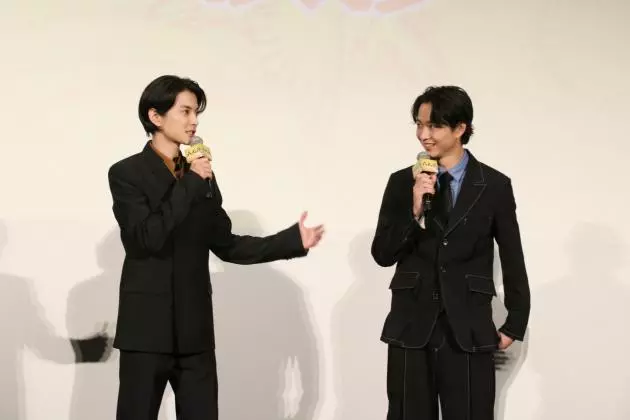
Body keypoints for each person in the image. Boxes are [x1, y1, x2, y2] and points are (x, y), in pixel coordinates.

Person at [107, 75, 325, 420]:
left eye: (196, 113)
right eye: (185, 111)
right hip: (146, 331)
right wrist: (192, 182)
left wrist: (292, 240)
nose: (194, 121)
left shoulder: (201, 175)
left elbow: (227, 244)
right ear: (155, 116)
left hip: (194, 333)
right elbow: (145, 238)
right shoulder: (127, 173)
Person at [371, 85, 530, 420]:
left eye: (434, 126)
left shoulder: (494, 185)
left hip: (468, 326)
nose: (423, 135)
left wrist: (514, 323)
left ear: (460, 128)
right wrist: (414, 209)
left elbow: (512, 256)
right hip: (410, 324)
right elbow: (383, 253)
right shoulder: (402, 182)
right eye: (419, 124)